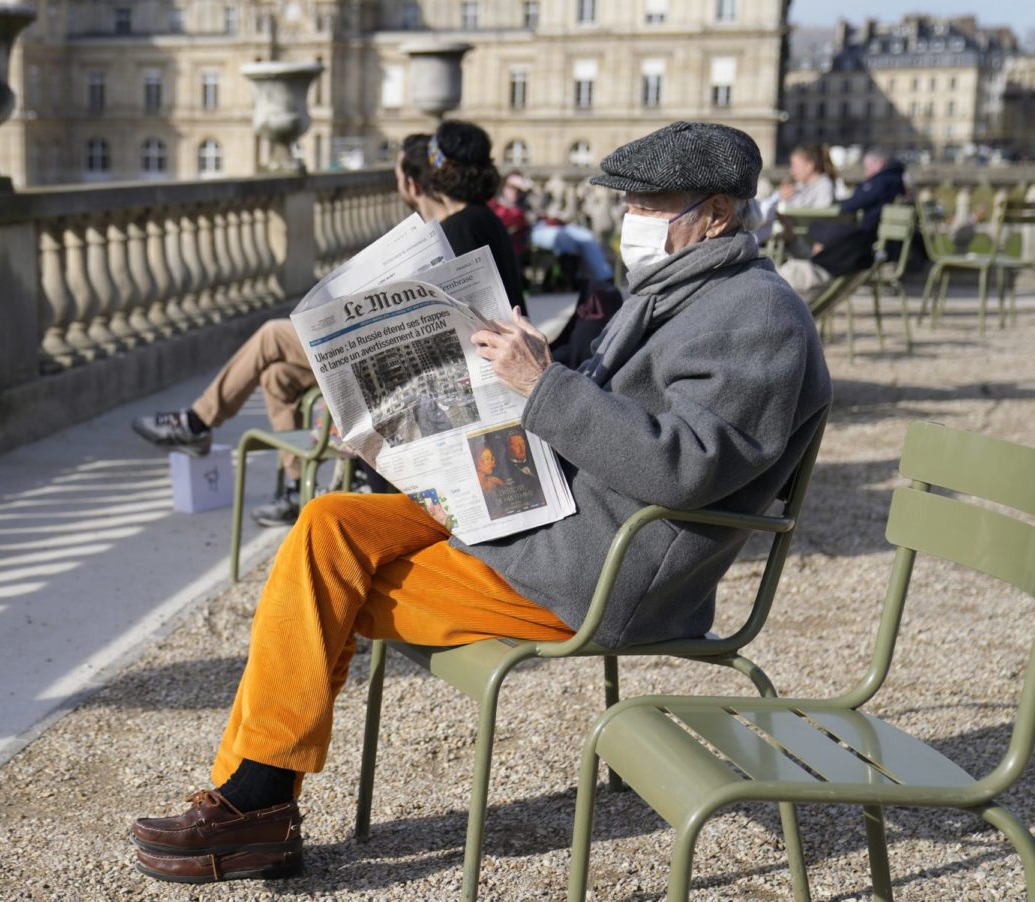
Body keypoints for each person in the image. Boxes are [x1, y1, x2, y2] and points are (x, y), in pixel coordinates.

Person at [127, 121, 832, 885]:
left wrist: (545, 385)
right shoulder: (682, 288)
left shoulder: (758, 315)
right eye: (629, 202)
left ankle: (254, 803)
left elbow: (689, 467)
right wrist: (412, 422)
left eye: (647, 204)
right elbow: (609, 415)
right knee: (329, 524)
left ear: (718, 213)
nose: (630, 218)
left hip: (598, 570)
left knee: (325, 585)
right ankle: (255, 800)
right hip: (549, 513)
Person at [131, 121, 526, 528]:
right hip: (424, 358)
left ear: (413, 183)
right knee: (278, 376)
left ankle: (197, 422)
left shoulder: (462, 226)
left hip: (432, 366)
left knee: (271, 336)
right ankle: (292, 488)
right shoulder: (476, 220)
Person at [777, 146, 906, 302]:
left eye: (867, 167)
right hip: (851, 250)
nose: (865, 172)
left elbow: (855, 202)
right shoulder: (893, 180)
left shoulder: (881, 182)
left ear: (879, 164)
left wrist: (840, 207)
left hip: (843, 250)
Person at [754, 145, 838, 246]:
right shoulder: (801, 186)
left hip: (806, 242)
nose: (792, 171)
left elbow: (818, 217)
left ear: (809, 165)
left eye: (794, 166)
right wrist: (782, 196)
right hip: (797, 238)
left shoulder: (824, 186)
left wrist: (783, 200)